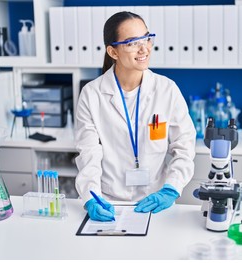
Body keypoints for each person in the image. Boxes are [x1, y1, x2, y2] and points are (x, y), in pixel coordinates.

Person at [75, 11, 196, 221]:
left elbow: (184, 146)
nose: (144, 48)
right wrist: (91, 197)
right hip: (110, 202)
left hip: (157, 202)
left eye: (147, 38)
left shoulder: (167, 90)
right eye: (132, 42)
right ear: (113, 52)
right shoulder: (92, 94)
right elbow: (89, 154)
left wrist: (171, 189)